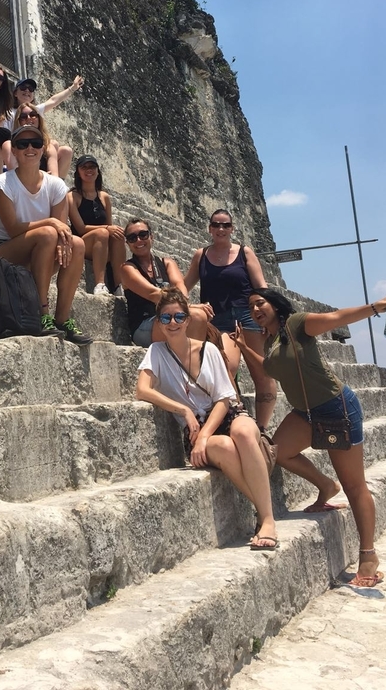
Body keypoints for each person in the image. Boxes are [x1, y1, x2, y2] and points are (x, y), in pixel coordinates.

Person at [234, 287, 386, 586]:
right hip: (305, 413)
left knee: (355, 485)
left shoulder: (296, 324)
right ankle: (325, 485)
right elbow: (268, 370)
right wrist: (243, 347)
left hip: (336, 407)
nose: (256, 309)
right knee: (279, 451)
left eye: (261, 303)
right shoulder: (271, 340)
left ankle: (368, 556)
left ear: (275, 305)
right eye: (251, 307)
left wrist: (375, 308)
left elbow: (335, 318)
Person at [136, 288, 278, 550]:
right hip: (195, 425)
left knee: (245, 433)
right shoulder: (156, 352)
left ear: (188, 320)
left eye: (179, 317)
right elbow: (142, 390)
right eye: (165, 318)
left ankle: (267, 519)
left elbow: (224, 399)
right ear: (159, 323)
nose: (173, 323)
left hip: (225, 413)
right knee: (223, 447)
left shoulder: (209, 350)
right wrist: (184, 410)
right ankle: (263, 510)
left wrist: (203, 437)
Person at [0, 124, 93, 346]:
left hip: (40, 249)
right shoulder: (3, 184)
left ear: (43, 150)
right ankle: (41, 313)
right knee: (46, 233)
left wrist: (59, 234)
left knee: (77, 244)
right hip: (3, 251)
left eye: (35, 144)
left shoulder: (55, 185)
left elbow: (61, 230)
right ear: (13, 150)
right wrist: (51, 222)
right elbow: (13, 229)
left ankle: (62, 318)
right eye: (22, 144)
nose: (29, 148)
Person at [184, 209, 277, 429]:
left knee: (262, 373)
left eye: (225, 225)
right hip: (218, 320)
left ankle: (262, 428)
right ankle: (238, 416)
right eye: (216, 225)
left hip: (248, 315)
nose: (221, 229)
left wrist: (268, 319)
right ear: (210, 228)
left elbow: (261, 287)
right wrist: (181, 304)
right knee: (228, 366)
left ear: (232, 228)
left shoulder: (245, 253)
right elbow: (184, 285)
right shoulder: (201, 255)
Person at [120, 218, 212, 346]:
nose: (139, 240)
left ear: (151, 237)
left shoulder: (167, 263)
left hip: (172, 316)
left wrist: (185, 306)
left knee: (198, 315)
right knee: (196, 316)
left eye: (143, 235)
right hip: (146, 324)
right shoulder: (127, 268)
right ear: (128, 243)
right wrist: (189, 306)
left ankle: (193, 363)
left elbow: (180, 286)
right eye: (132, 238)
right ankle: (190, 362)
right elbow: (153, 294)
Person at [67, 155, 126, 296]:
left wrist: (110, 229)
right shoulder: (72, 196)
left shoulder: (104, 197)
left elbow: (110, 226)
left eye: (92, 167)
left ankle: (120, 286)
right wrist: (105, 229)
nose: (89, 170)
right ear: (78, 172)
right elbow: (80, 228)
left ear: (98, 171)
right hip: (82, 243)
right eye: (84, 167)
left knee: (117, 235)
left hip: (102, 245)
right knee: (103, 233)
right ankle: (100, 284)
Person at [2, 75, 82, 177]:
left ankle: (56, 184)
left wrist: (72, 88)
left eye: (30, 89)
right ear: (15, 93)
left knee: (60, 148)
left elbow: (54, 100)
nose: (27, 91)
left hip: (37, 151)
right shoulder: (8, 114)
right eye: (23, 88)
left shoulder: (36, 109)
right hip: (19, 150)